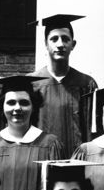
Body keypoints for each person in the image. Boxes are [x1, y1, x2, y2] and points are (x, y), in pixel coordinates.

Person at [29, 14, 98, 156]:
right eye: (54, 39)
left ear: (73, 44)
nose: (60, 44)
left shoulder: (86, 84)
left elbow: (93, 131)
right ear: (45, 44)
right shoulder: (31, 83)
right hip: (40, 158)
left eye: (65, 39)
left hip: (77, 161)